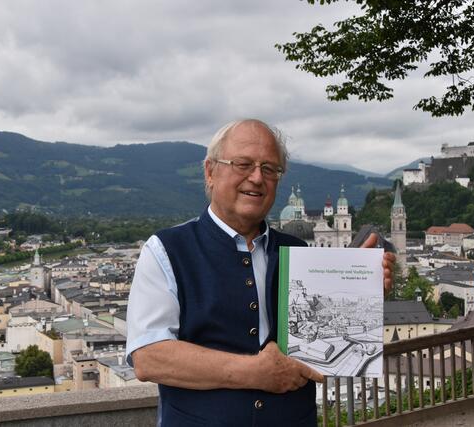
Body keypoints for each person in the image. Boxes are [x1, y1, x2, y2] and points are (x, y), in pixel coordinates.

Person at [126, 119, 395, 426]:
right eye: (243, 164)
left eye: (269, 169)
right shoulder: (166, 250)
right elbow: (149, 358)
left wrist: (362, 284)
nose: (257, 178)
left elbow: (323, 321)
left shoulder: (299, 252)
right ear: (210, 171)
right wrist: (255, 372)